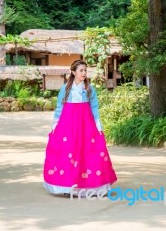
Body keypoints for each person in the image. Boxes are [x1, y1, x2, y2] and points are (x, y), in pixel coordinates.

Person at [43, 59, 117, 196]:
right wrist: (55, 124)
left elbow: (94, 108)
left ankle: (89, 185)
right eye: (81, 70)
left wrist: (98, 126)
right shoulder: (65, 89)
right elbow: (60, 107)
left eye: (85, 70)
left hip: (86, 125)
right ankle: (68, 185)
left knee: (88, 151)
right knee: (68, 151)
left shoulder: (89, 89)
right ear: (73, 72)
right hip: (68, 125)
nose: (84, 73)